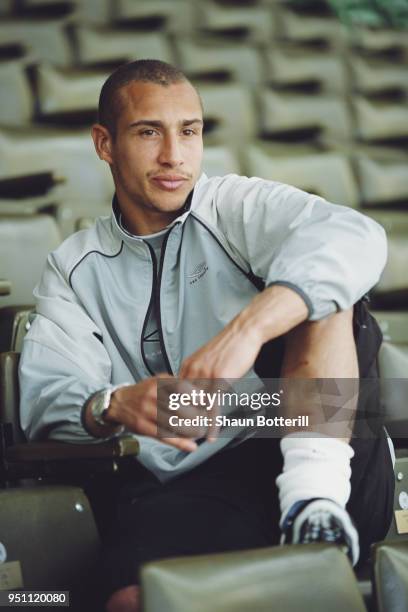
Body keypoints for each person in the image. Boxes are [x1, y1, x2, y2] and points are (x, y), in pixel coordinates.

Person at [19, 59, 394, 612]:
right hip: (197, 474)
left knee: (324, 288)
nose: (174, 155)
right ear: (104, 143)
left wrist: (249, 327)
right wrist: (115, 403)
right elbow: (46, 398)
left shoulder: (232, 205)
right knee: (129, 599)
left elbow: (355, 236)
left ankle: (312, 510)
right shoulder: (75, 266)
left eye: (189, 132)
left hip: (321, 448)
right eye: (150, 132)